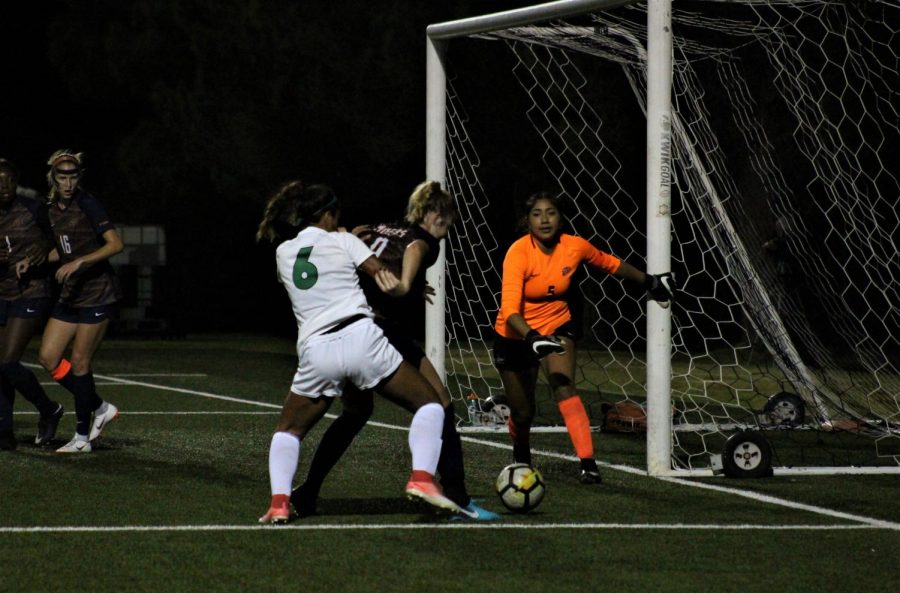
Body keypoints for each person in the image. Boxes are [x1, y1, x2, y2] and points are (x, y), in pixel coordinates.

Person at [291, 180, 499, 521]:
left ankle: (307, 491)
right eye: (447, 221)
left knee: (355, 413)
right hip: (378, 330)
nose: (447, 229)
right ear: (435, 215)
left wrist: (411, 283)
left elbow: (356, 243)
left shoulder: (379, 227)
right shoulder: (424, 239)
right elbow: (416, 249)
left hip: (348, 329)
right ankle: (453, 496)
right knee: (440, 403)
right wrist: (405, 284)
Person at [255, 180, 461, 524]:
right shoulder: (345, 240)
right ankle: (422, 478)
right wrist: (403, 288)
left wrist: (343, 240)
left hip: (317, 350)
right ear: (327, 214)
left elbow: (319, 271)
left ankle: (279, 504)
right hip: (363, 339)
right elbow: (382, 277)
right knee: (429, 405)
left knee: (288, 431)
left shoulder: (283, 253)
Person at [493, 191, 674, 483]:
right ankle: (521, 449)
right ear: (527, 221)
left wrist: (650, 281)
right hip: (516, 334)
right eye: (537, 214)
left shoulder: (574, 247)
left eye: (550, 212)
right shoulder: (518, 252)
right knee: (524, 412)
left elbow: (609, 263)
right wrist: (531, 337)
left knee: (564, 386)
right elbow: (509, 310)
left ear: (560, 218)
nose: (544, 219)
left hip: (557, 326)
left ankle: (588, 463)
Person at [37, 150, 124, 454]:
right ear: (53, 178)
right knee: (48, 357)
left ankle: (81, 438)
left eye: (73, 176)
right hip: (71, 295)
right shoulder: (50, 209)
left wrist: (81, 263)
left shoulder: (88, 203)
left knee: (79, 363)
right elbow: (63, 249)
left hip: (97, 293)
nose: (68, 182)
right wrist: (32, 260)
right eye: (63, 176)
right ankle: (99, 407)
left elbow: (116, 244)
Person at [0, 159, 64, 451]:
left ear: (16, 183)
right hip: (3, 293)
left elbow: (60, 239)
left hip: (32, 291)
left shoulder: (33, 208)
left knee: (7, 361)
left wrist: (44, 249)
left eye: (9, 181)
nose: (4, 187)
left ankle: (48, 408)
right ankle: (5, 432)